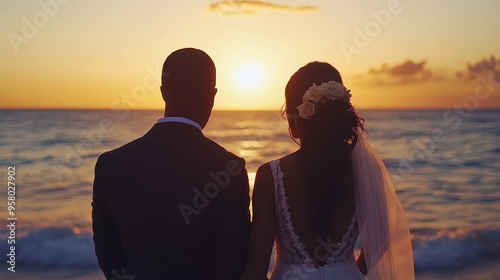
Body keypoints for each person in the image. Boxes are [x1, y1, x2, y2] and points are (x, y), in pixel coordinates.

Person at [241, 62, 414, 280]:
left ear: (295, 119)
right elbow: (381, 236)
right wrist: (348, 271)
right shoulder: (364, 169)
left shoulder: (271, 175)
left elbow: (255, 269)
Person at [92, 48, 251, 280]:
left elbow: (107, 253)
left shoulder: (110, 164)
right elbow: (232, 263)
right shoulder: (229, 169)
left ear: (163, 92)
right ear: (212, 95)